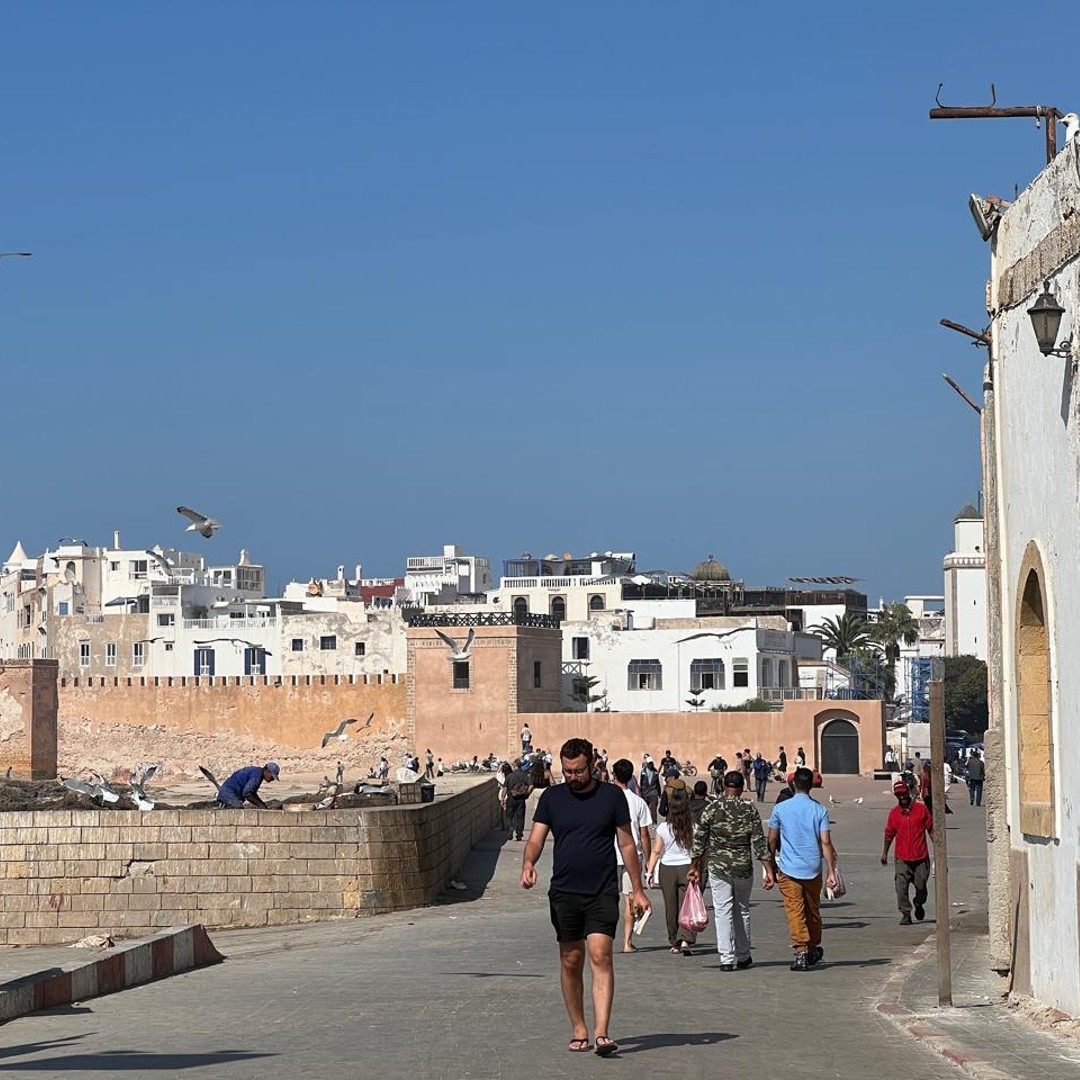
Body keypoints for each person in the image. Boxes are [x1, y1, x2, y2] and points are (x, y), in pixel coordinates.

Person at [522, 737, 649, 1057]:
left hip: (602, 890)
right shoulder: (552, 798)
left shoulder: (612, 797)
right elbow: (536, 839)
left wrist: (637, 888)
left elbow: (627, 844)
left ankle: (602, 1032)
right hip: (564, 892)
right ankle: (579, 1028)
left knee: (600, 954)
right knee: (571, 959)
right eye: (567, 771)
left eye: (578, 771)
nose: (573, 777)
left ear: (592, 765)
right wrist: (528, 863)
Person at [690, 770, 775, 971]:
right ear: (741, 787)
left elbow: (699, 840)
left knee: (722, 911)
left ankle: (726, 958)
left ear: (723, 786)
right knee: (742, 909)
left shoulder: (712, 808)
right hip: (742, 866)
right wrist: (769, 870)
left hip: (718, 866)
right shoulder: (749, 810)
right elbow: (758, 842)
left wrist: (694, 866)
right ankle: (743, 955)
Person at [767, 767, 837, 972]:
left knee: (795, 911)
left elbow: (771, 839)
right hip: (813, 867)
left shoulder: (780, 809)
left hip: (789, 867)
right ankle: (812, 946)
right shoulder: (819, 809)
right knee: (812, 910)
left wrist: (770, 864)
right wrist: (831, 870)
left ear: (793, 784)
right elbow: (826, 842)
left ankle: (801, 951)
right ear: (811, 786)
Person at [645, 788, 697, 955]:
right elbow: (697, 850)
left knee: (671, 906)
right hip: (686, 866)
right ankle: (686, 939)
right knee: (687, 905)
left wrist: (649, 872)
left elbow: (656, 851)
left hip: (667, 868)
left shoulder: (663, 828)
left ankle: (674, 941)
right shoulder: (693, 827)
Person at [611, 759, 653, 954]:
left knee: (608, 899)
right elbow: (644, 835)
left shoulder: (606, 799)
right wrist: (649, 860)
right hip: (632, 857)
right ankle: (627, 942)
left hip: (609, 855)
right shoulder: (639, 802)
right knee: (630, 898)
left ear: (614, 775)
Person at [881, 779, 934, 924]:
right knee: (901, 887)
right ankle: (905, 913)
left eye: (904, 793)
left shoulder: (921, 810)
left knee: (921, 887)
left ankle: (918, 903)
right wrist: (884, 853)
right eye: (898, 795)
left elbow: (931, 829)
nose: (902, 797)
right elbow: (889, 834)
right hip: (902, 858)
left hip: (920, 856)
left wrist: (939, 849)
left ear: (908, 792)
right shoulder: (894, 813)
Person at [505, 760, 533, 840]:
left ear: (515, 766)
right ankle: (519, 834)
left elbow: (505, 788)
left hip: (511, 798)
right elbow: (531, 785)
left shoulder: (509, 776)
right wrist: (527, 793)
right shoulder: (525, 775)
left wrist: (502, 799)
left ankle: (510, 827)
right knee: (520, 817)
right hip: (521, 798)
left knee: (509, 815)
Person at [639, 758, 661, 823]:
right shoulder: (643, 772)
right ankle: (643, 822)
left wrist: (659, 794)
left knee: (653, 808)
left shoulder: (655, 772)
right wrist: (640, 792)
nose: (650, 765)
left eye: (651, 763)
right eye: (649, 763)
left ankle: (654, 822)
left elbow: (657, 783)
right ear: (647, 764)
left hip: (653, 791)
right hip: (645, 792)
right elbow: (640, 782)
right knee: (644, 808)